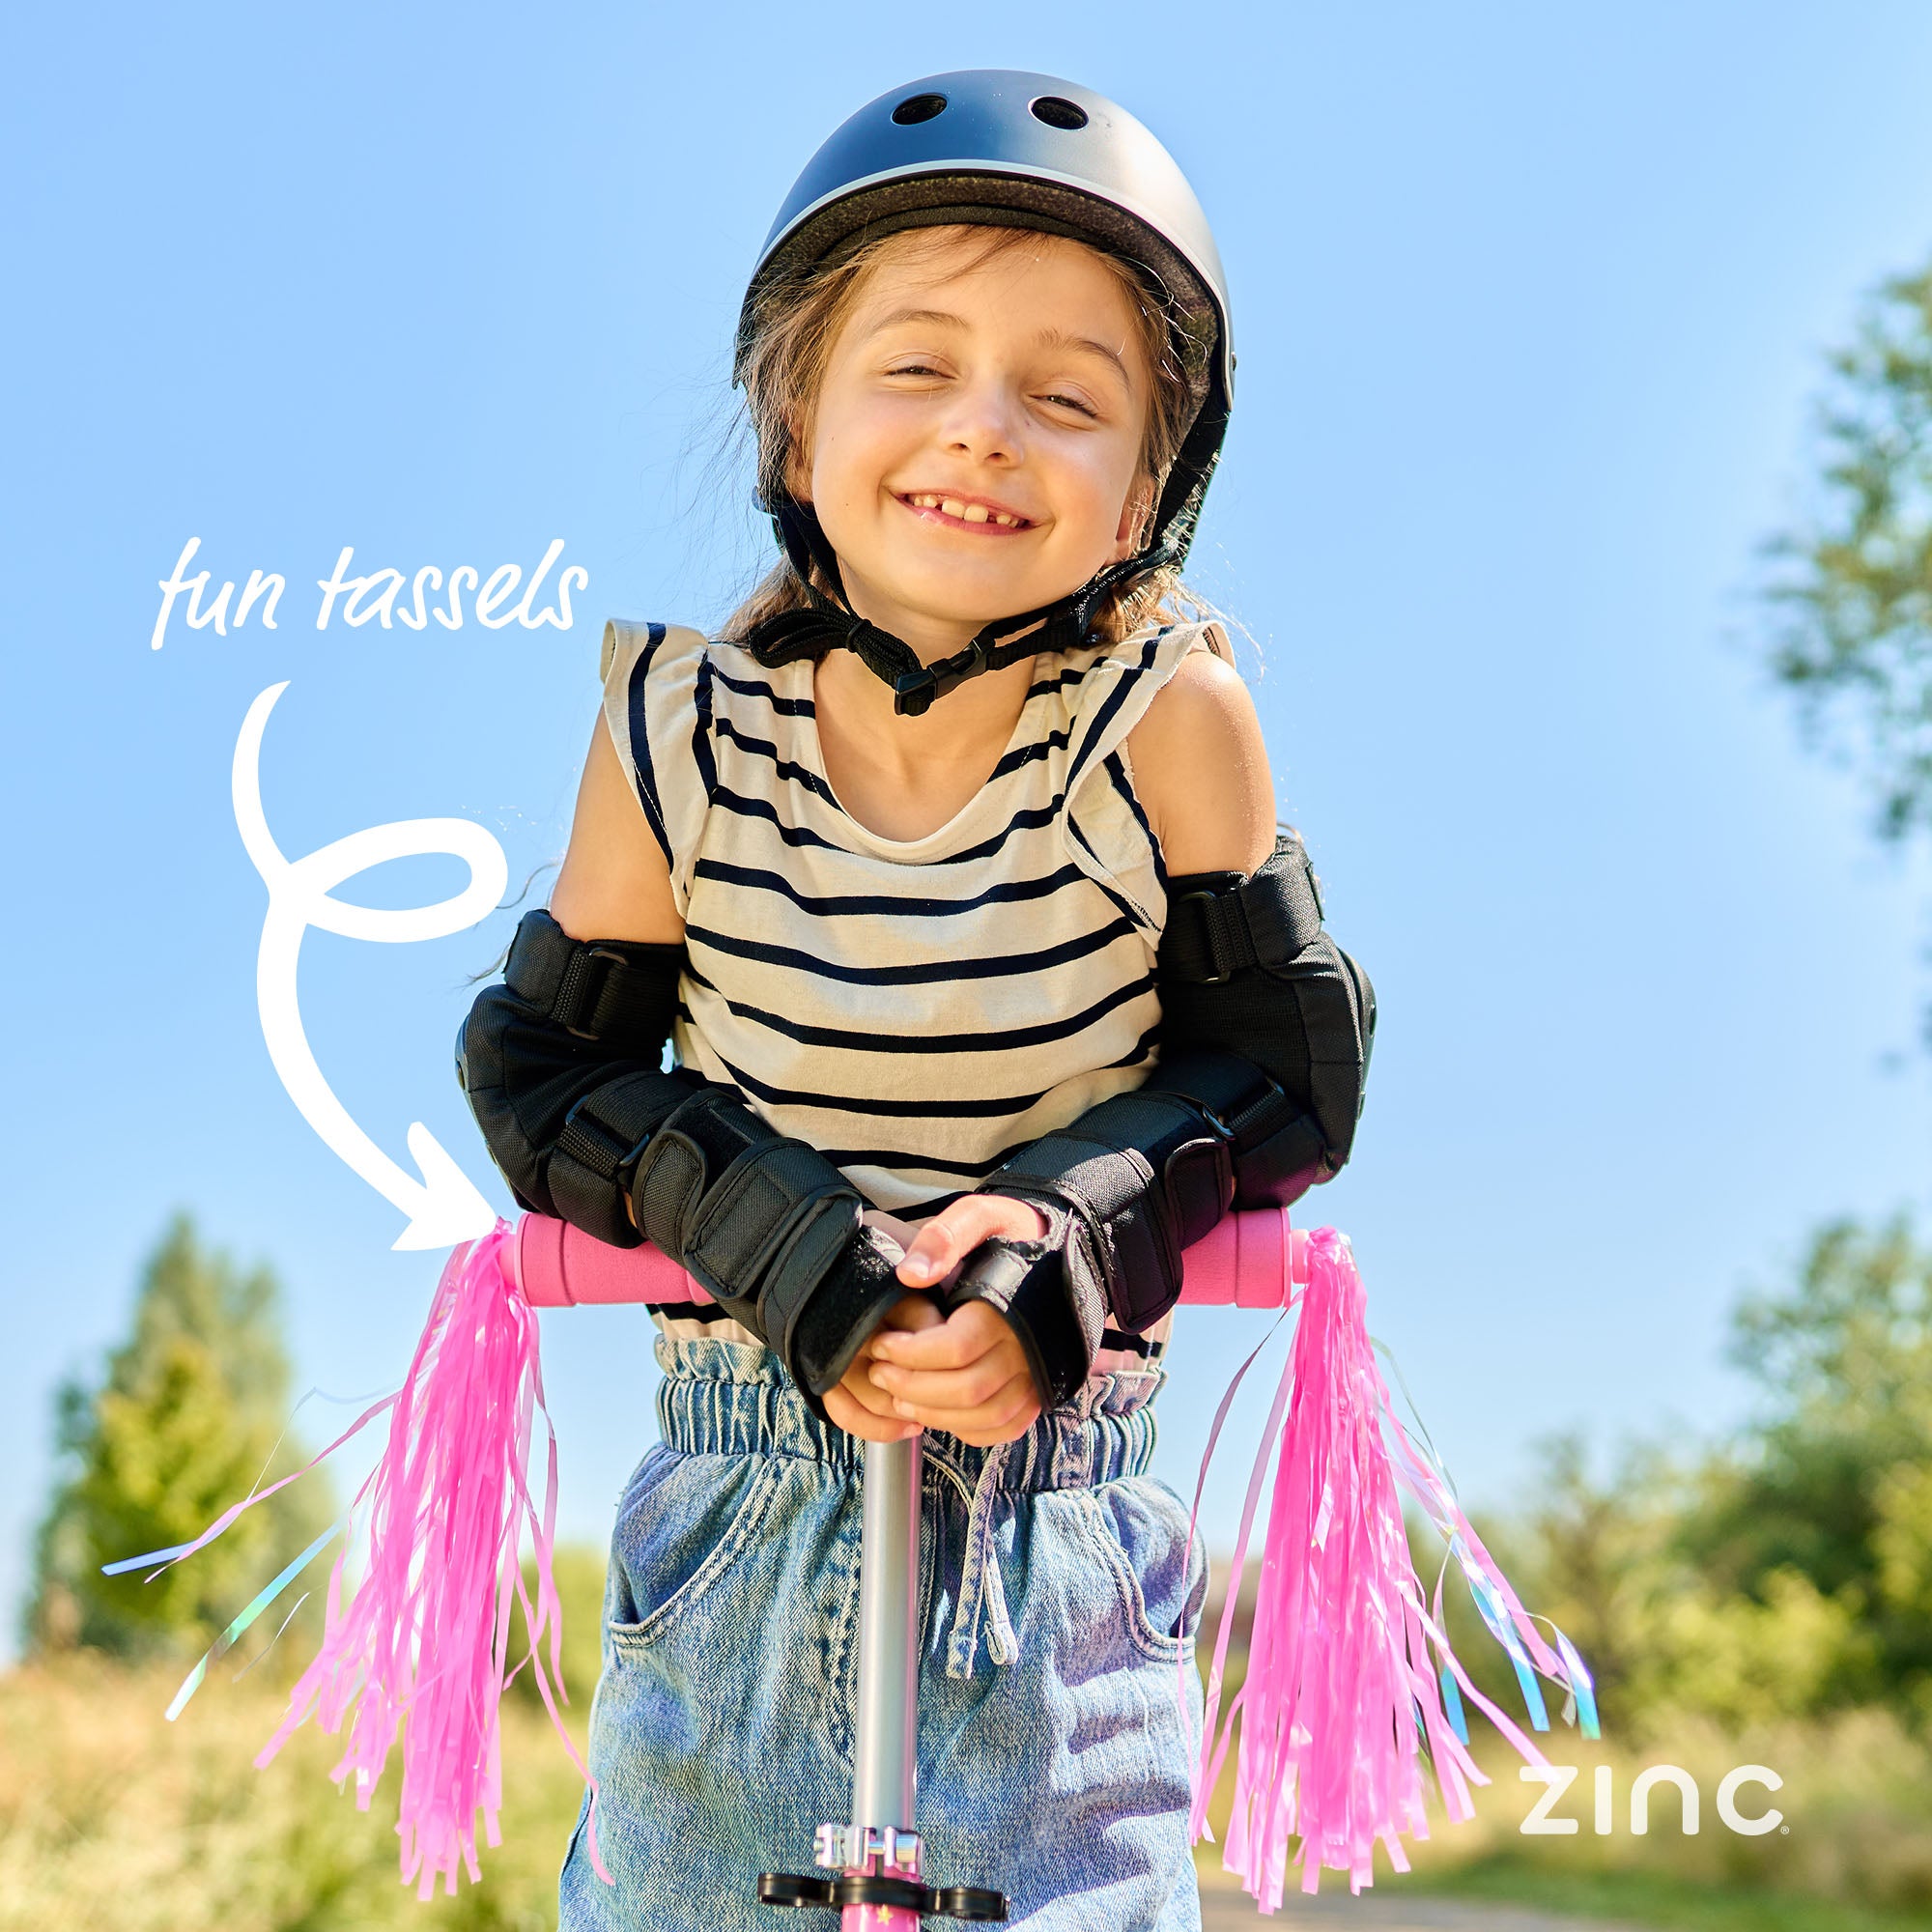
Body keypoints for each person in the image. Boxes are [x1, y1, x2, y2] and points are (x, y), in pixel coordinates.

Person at [458, 69, 1374, 1931]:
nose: (987, 431)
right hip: (745, 1527)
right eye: (917, 367)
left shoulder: (1169, 718)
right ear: (795, 428)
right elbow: (550, 1078)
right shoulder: (680, 740)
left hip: (1061, 1546)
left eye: (1068, 396)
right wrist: (778, 1234)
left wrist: (1064, 1236)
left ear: (1149, 486)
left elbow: (1282, 1073)